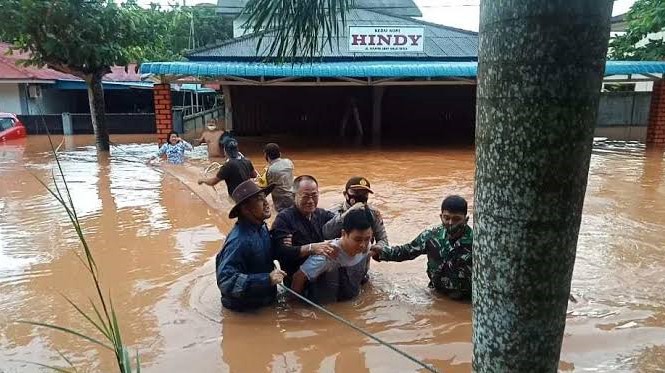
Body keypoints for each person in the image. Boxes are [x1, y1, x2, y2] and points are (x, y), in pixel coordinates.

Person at [370, 195, 473, 299]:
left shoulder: (476, 243)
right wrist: (383, 253)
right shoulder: (431, 236)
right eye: (447, 218)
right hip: (436, 294)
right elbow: (408, 251)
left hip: (466, 300)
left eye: (456, 219)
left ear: (466, 219)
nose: (450, 223)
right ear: (441, 217)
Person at [215, 179, 286, 311]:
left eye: (265, 198)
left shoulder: (262, 227)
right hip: (246, 310)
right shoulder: (239, 240)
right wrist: (267, 280)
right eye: (259, 200)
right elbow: (225, 281)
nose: (266, 203)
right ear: (246, 209)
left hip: (264, 303)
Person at [291, 208, 372, 304]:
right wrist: (294, 307)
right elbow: (298, 277)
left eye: (367, 239)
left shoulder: (367, 247)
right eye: (357, 240)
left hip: (351, 304)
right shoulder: (327, 255)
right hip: (324, 309)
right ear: (344, 234)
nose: (362, 245)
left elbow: (364, 276)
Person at [271, 175, 338, 280]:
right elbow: (280, 252)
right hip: (295, 274)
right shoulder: (284, 219)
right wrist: (311, 248)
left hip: (317, 269)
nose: (311, 201)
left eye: (314, 195)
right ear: (294, 196)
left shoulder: (321, 214)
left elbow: (340, 224)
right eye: (306, 196)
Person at [323, 176, 388, 247]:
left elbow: (383, 241)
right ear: (345, 194)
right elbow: (326, 234)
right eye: (356, 192)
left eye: (364, 193)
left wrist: (374, 250)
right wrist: (348, 213)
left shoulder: (373, 213)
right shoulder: (334, 211)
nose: (360, 196)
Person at [256, 143, 295, 212]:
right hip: (294, 197)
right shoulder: (289, 162)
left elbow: (263, 187)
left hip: (282, 204)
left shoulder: (269, 170)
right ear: (280, 154)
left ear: (266, 155)